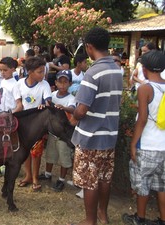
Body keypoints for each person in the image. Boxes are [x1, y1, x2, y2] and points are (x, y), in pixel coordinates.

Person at [67, 27, 123, 225]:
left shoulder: (93, 72)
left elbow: (81, 111)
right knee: (104, 178)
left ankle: (90, 221)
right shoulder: (117, 69)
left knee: (90, 180)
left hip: (91, 136)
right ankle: (103, 215)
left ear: (89, 47)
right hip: (110, 135)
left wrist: (71, 110)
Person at [122, 50, 165, 225]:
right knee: (162, 186)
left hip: (146, 144)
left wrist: (133, 144)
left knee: (143, 184)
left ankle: (139, 218)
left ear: (145, 69)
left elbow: (143, 118)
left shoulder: (145, 88)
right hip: (163, 146)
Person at [14, 56, 52, 191]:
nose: (43, 74)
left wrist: (45, 105)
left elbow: (48, 102)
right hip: (23, 124)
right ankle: (28, 175)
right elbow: (19, 104)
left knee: (36, 152)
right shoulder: (19, 84)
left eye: (43, 71)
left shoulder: (45, 84)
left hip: (37, 126)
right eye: (40, 72)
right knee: (25, 151)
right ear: (29, 72)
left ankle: (35, 177)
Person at [38, 70, 75, 192]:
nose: (63, 85)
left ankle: (61, 179)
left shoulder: (71, 98)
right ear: (56, 83)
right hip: (52, 133)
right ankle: (48, 174)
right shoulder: (52, 95)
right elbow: (46, 105)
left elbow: (72, 109)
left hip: (64, 134)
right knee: (50, 154)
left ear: (70, 83)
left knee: (64, 157)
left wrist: (64, 108)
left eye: (65, 82)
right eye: (60, 82)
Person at [0, 57, 22, 178]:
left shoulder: (15, 85)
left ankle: (4, 166)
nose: (2, 73)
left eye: (5, 70)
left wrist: (10, 114)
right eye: (1, 70)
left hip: (8, 119)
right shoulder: (3, 82)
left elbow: (19, 105)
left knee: (5, 143)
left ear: (13, 69)